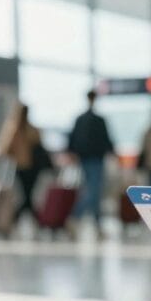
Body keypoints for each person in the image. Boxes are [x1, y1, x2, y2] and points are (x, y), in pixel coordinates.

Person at [68, 90, 115, 231]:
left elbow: (72, 140)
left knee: (94, 191)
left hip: (86, 159)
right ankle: (76, 216)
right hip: (95, 159)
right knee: (94, 191)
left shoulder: (81, 119)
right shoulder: (98, 120)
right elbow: (106, 140)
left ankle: (96, 222)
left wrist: (72, 153)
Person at [0, 102, 46, 222]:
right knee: (27, 194)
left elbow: (4, 149)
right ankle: (32, 218)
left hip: (20, 166)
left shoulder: (12, 129)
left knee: (23, 195)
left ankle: (16, 218)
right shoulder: (31, 129)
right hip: (31, 167)